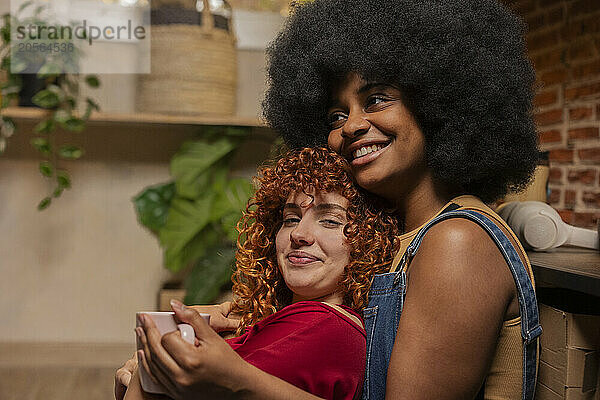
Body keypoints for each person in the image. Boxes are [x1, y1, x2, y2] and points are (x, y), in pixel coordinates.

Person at [121, 0, 542, 399]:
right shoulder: (398, 229)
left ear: (440, 103)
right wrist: (239, 319)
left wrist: (235, 381)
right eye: (336, 116)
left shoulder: (456, 243)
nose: (353, 126)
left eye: (376, 99)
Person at [119, 147, 400, 400]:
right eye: (290, 219)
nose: (299, 234)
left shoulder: (324, 326)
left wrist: (143, 372)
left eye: (329, 221)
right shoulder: (279, 324)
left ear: (367, 240)